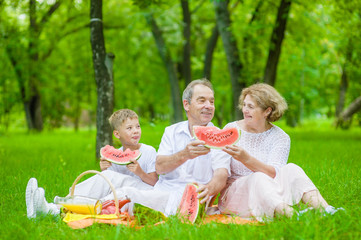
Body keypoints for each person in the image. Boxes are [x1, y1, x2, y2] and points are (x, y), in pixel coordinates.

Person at [88, 79, 230, 217]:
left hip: (184, 199)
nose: (209, 105)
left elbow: (221, 175)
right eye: (202, 100)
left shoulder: (220, 137)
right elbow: (160, 167)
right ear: (186, 105)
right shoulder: (171, 131)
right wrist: (184, 154)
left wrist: (208, 190)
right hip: (158, 190)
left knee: (125, 194)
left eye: (211, 101)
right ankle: (70, 200)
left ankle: (87, 208)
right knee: (109, 176)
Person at [215, 83, 344, 221]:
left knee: (292, 168)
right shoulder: (230, 129)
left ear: (267, 111)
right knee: (258, 177)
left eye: (251, 107)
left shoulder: (281, 137)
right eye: (245, 105)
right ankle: (295, 217)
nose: (245, 110)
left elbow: (273, 173)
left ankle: (326, 210)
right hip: (235, 195)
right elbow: (220, 170)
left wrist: (246, 158)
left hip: (269, 189)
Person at [26, 109, 158, 219]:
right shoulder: (116, 154)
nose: (136, 130)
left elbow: (155, 183)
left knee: (109, 177)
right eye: (129, 128)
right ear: (117, 134)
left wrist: (139, 172)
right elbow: (109, 186)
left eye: (138, 126)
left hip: (145, 194)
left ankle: (52, 209)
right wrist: (104, 171)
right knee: (105, 179)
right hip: (122, 195)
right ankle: (54, 208)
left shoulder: (149, 151)